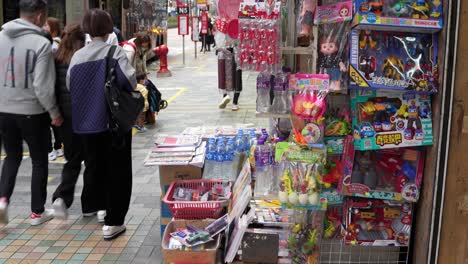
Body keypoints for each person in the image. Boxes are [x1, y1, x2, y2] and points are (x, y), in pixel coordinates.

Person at [68, 8, 136, 240]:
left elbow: (70, 86)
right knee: (118, 171)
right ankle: (113, 222)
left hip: (86, 125)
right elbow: (130, 81)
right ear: (108, 29)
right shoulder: (115, 52)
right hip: (112, 123)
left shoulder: (77, 57)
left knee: (96, 167)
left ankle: (101, 209)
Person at [0, 0, 64, 226]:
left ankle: (2, 201)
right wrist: (54, 112)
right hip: (32, 112)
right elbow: (42, 86)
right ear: (39, 16)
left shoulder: (1, 36)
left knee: (12, 157)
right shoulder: (41, 43)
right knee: (39, 161)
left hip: (3, 111)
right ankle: (37, 213)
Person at [51, 23, 100, 221]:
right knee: (91, 161)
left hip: (65, 119)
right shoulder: (84, 58)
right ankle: (90, 205)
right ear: (81, 40)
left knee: (72, 161)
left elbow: (52, 88)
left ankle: (61, 198)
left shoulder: (57, 59)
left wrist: (55, 113)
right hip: (86, 118)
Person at [43, 16, 64, 160]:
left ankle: (52, 148)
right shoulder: (59, 44)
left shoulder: (53, 45)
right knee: (55, 121)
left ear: (53, 28)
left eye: (46, 25)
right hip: (56, 86)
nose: (43, 27)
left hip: (50, 86)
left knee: (48, 120)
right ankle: (57, 146)